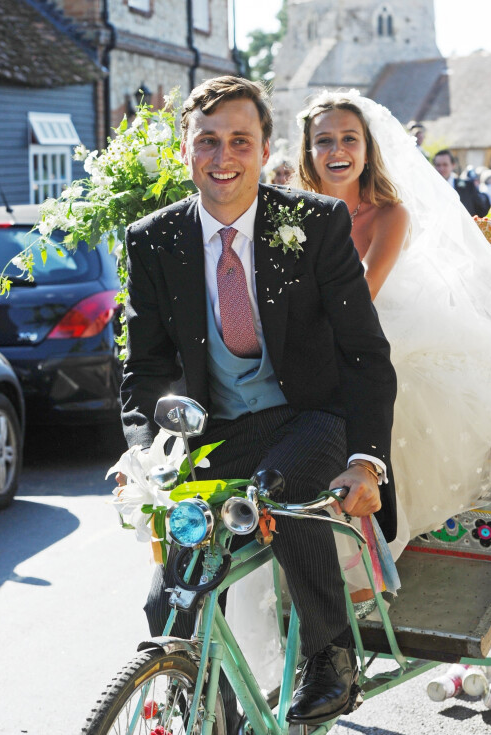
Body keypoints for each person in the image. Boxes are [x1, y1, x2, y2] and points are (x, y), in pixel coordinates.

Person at [120, 76, 398, 729]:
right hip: (215, 429)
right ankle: (193, 686)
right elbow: (146, 366)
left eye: (240, 141)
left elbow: (363, 350)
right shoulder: (153, 238)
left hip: (310, 415)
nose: (224, 157)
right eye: (208, 141)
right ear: (185, 150)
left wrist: (367, 460)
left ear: (265, 146)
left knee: (277, 489)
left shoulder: (314, 222)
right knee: (174, 577)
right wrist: (147, 453)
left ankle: (330, 656)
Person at [294, 89, 491, 547]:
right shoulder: (291, 214)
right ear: (308, 152)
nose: (337, 150)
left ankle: (376, 542)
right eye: (324, 141)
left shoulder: (389, 214)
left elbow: (364, 295)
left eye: (350, 139)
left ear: (368, 150)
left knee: (394, 388)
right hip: (316, 330)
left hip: (380, 325)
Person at [433, 149, 490, 216]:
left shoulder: (468, 186)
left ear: (453, 165)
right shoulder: (430, 187)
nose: (441, 168)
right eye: (438, 165)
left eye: (445, 165)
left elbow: (481, 211)